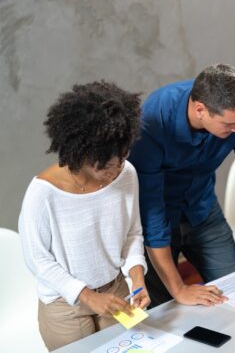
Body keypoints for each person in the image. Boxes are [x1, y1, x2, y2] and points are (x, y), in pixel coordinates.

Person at [128, 63, 235, 308]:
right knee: (167, 311)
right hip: (159, 218)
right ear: (200, 110)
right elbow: (151, 211)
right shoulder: (152, 121)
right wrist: (179, 289)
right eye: (229, 125)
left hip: (203, 208)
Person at [18, 81, 150, 351]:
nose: (115, 171)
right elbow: (39, 261)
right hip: (65, 306)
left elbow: (132, 233)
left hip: (115, 291)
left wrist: (137, 278)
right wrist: (87, 296)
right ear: (81, 152)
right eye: (105, 165)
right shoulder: (43, 194)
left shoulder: (127, 175)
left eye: (122, 159)